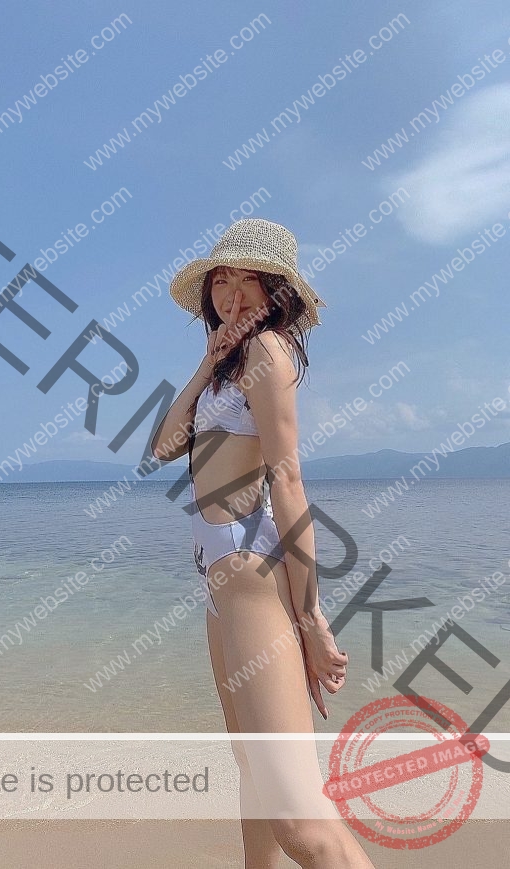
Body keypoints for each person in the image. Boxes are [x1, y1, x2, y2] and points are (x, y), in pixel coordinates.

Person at [151, 219, 374, 868]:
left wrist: (311, 617)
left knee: (299, 817)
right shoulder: (227, 364)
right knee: (251, 770)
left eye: (250, 277)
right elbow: (165, 446)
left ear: (276, 289)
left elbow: (288, 481)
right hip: (218, 583)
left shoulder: (269, 352)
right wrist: (204, 361)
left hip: (249, 574)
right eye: (223, 278)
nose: (233, 292)